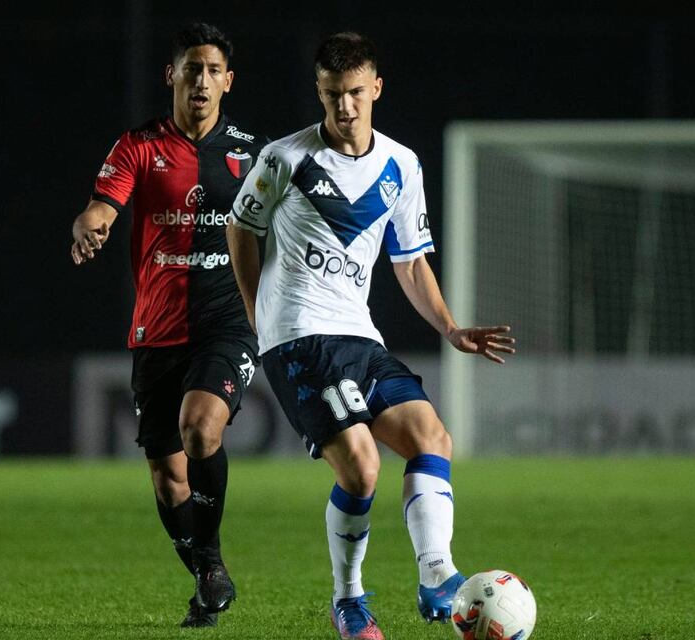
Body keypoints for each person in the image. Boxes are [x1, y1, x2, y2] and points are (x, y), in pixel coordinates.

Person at [226, 32, 515, 640]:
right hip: (300, 337)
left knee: (431, 437)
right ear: (319, 92)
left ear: (376, 88)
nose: (345, 107)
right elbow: (241, 227)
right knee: (360, 468)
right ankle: (349, 599)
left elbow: (409, 262)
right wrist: (259, 314)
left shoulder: (401, 165)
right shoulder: (284, 159)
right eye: (332, 94)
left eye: (356, 92)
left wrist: (450, 327)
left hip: (360, 336)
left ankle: (436, 572)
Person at [70, 22, 266, 628]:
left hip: (227, 323)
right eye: (192, 69)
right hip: (157, 330)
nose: (201, 80)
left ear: (227, 81)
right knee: (166, 482)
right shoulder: (138, 146)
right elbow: (105, 203)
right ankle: (208, 574)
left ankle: (208, 564)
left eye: (212, 70)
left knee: (201, 429)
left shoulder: (251, 154)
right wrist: (91, 221)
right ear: (172, 76)